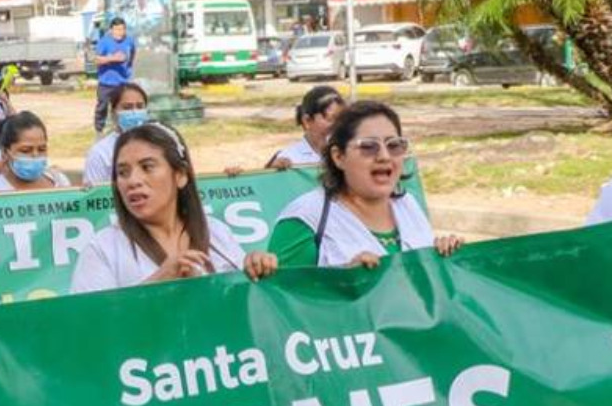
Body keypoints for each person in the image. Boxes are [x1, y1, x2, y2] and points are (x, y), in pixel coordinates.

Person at [71, 123, 277, 294]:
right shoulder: (103, 248)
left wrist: (256, 267)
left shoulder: (216, 233)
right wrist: (159, 281)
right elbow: (90, 325)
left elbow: (245, 304)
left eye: (147, 167)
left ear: (180, 175)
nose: (133, 181)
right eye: (123, 172)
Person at [269, 101, 463, 268]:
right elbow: (283, 301)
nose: (384, 156)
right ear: (338, 157)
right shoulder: (304, 218)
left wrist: (444, 255)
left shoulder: (408, 205)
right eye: (368, 147)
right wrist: (344, 284)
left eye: (394, 145)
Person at [0, 112, 70, 193]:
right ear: (5, 152)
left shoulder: (60, 183)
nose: (35, 155)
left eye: (41, 149)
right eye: (25, 151)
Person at [84, 82, 149, 186]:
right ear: (113, 112)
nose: (134, 112)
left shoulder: (158, 145)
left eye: (140, 106)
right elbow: (95, 195)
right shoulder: (101, 153)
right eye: (127, 107)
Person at [267, 86, 346, 169]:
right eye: (331, 118)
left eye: (341, 118)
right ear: (307, 121)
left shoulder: (348, 154)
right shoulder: (290, 158)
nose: (338, 125)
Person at [94, 17, 136, 133]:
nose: (119, 32)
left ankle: (122, 129)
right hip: (106, 82)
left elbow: (132, 54)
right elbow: (97, 60)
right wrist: (112, 58)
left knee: (122, 107)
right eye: (117, 30)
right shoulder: (104, 42)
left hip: (122, 82)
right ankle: (99, 131)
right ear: (111, 30)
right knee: (102, 107)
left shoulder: (129, 41)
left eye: (122, 29)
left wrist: (128, 68)